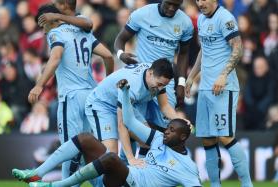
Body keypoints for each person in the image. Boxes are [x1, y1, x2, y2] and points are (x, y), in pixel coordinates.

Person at [13, 79, 202, 187]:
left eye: (171, 130)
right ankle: (37, 173)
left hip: (132, 184)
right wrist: (126, 92)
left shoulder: (187, 167)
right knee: (86, 138)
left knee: (112, 157)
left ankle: (56, 186)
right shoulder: (158, 139)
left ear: (183, 137)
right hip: (122, 178)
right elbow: (129, 121)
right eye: (167, 128)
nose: (166, 132)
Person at [28, 4, 114, 183]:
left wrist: (39, 85)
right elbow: (108, 56)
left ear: (49, 20)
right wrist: (108, 83)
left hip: (71, 97)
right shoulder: (84, 32)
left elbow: (56, 58)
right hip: (91, 97)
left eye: (43, 25)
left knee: (69, 148)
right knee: (87, 149)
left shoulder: (56, 33)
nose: (43, 31)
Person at [114, 0, 194, 164]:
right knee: (135, 127)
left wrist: (180, 81)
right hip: (142, 80)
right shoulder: (141, 14)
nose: (172, 8)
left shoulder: (185, 23)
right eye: (169, 4)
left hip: (166, 82)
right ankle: (125, 165)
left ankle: (152, 170)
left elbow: (184, 54)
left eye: (176, 5)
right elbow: (120, 39)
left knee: (166, 130)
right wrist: (121, 54)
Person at [185, 0, 253, 187]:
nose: (200, 3)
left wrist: (223, 75)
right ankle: (215, 185)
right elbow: (203, 50)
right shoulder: (200, 20)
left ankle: (247, 184)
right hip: (205, 87)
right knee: (207, 138)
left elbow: (238, 49)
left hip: (223, 87)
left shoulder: (225, 18)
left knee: (225, 136)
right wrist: (191, 76)